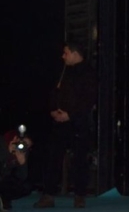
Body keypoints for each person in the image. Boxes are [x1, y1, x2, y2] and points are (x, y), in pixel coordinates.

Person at [34, 41, 97, 209]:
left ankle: (80, 195)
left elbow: (89, 99)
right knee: (53, 156)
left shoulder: (88, 72)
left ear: (75, 54)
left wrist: (70, 114)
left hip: (79, 122)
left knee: (80, 159)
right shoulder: (64, 71)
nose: (63, 56)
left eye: (66, 53)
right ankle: (48, 194)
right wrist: (53, 110)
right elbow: (54, 92)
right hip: (60, 121)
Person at [1, 129, 33, 210]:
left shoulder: (22, 150)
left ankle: (5, 199)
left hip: (4, 182)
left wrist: (22, 163)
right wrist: (7, 153)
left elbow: (22, 177)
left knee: (26, 187)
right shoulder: (2, 145)